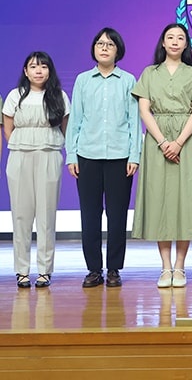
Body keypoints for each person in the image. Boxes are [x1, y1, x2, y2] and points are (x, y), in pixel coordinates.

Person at [132, 23, 192, 288]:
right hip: (157, 140)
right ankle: (165, 267)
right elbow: (144, 110)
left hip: (187, 140)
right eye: (170, 37)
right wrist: (163, 142)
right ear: (163, 43)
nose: (175, 42)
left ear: (186, 44)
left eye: (180, 38)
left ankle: (180, 266)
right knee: (160, 201)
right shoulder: (149, 73)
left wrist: (177, 142)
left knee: (186, 202)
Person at [66, 28, 141, 288]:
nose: (104, 48)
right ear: (94, 49)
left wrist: (134, 155)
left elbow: (134, 121)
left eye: (110, 44)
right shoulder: (83, 80)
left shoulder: (128, 80)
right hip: (87, 155)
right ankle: (94, 269)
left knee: (117, 216)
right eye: (100, 43)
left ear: (118, 50)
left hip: (120, 156)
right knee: (90, 215)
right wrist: (71, 154)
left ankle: (114, 269)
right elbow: (75, 120)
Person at [3, 51, 70, 288]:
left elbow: (65, 128)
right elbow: (8, 128)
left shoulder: (59, 96)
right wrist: (22, 145)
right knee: (20, 215)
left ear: (50, 71)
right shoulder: (15, 95)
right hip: (19, 156)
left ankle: (44, 270)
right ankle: (22, 270)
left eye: (43, 66)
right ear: (25, 71)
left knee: (46, 215)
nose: (38, 71)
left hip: (49, 155)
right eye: (33, 66)